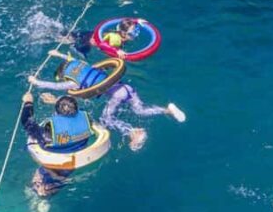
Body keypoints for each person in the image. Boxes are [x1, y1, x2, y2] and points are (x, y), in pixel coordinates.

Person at [28, 50, 185, 152]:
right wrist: (58, 54)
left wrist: (36, 82)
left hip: (117, 96)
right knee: (140, 110)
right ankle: (167, 110)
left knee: (106, 119)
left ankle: (132, 132)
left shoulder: (72, 83)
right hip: (127, 89)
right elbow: (71, 58)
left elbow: (55, 86)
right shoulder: (84, 66)